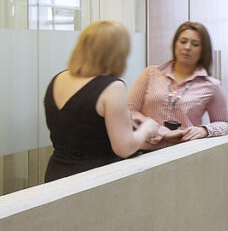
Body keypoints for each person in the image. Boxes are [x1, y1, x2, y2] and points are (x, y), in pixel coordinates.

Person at [44, 20, 164, 181]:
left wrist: (123, 120)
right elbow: (125, 147)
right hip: (96, 181)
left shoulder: (58, 79)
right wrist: (147, 129)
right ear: (117, 54)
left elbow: (78, 122)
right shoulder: (112, 87)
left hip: (56, 176)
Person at [128, 21, 228, 143]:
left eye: (195, 44)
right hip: (145, 150)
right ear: (175, 44)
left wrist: (204, 130)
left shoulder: (211, 85)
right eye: (183, 42)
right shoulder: (151, 73)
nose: (187, 47)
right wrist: (161, 132)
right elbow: (130, 111)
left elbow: (224, 123)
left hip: (183, 151)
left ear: (203, 50)